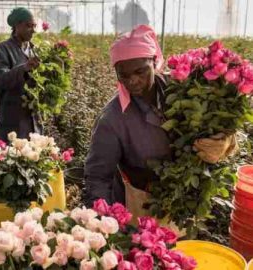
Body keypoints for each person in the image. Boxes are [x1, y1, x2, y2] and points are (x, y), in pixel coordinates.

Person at [84, 25, 236, 208]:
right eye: (123, 75)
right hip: (141, 205)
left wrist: (225, 142)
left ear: (154, 61)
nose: (132, 80)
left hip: (187, 201)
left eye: (140, 71)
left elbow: (223, 126)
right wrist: (103, 221)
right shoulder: (112, 119)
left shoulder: (186, 91)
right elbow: (98, 177)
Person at [0, 7, 42, 141]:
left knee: (35, 156)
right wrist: (24, 68)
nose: (33, 30)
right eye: (28, 25)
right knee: (13, 157)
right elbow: (0, 80)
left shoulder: (35, 50)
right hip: (12, 120)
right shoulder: (3, 50)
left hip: (33, 120)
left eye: (34, 26)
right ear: (17, 25)